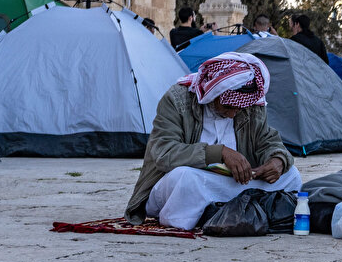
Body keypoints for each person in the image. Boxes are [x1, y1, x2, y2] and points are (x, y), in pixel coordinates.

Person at [125, 52, 301, 230]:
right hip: (183, 186)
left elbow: (268, 140)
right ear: (212, 93)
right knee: (185, 178)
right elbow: (163, 153)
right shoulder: (177, 100)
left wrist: (277, 160)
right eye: (228, 106)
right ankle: (212, 214)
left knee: (291, 175)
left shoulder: (250, 106)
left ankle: (223, 212)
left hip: (228, 186)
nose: (233, 113)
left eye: (239, 109)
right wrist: (219, 153)